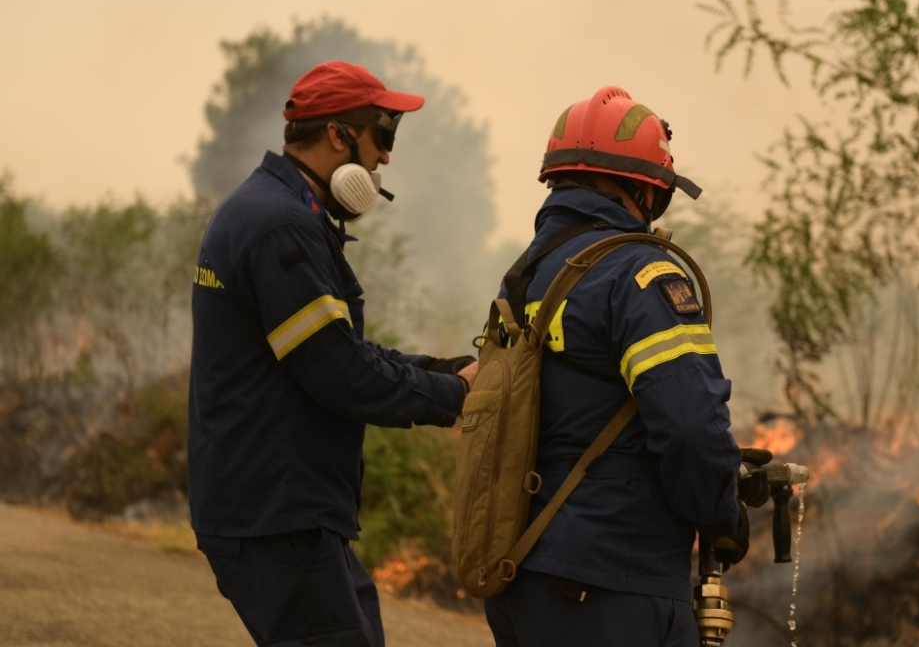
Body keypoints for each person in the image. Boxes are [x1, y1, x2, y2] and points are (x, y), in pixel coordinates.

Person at [187, 61, 477, 647]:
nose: (386, 159)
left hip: (288, 511)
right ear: (338, 135)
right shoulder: (281, 227)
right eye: (383, 137)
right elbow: (340, 375)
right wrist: (455, 397)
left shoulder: (280, 212)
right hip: (279, 512)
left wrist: (442, 371)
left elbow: (334, 349)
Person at [483, 86, 767, 647]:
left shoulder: (524, 279)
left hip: (523, 576)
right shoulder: (643, 276)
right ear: (645, 189)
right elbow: (690, 428)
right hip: (613, 584)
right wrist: (723, 517)